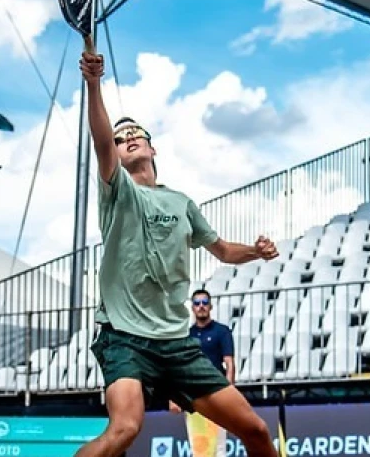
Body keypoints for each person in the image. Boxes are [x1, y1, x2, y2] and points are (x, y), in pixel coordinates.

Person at [73, 50, 279, 457]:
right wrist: (94, 85)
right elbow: (100, 140)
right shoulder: (118, 189)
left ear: (153, 149)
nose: (129, 137)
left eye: (137, 133)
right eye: (121, 138)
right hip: (125, 338)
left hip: (176, 343)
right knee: (125, 428)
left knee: (255, 430)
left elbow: (223, 250)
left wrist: (255, 252)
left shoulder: (182, 202)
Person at [170, 290, 236, 457]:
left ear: (210, 306)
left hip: (217, 394)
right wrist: (173, 397)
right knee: (199, 447)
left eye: (205, 302)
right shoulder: (187, 335)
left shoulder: (222, 331)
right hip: (194, 396)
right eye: (197, 303)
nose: (201, 306)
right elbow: (178, 366)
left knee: (219, 447)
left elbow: (229, 363)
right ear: (192, 308)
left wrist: (230, 392)